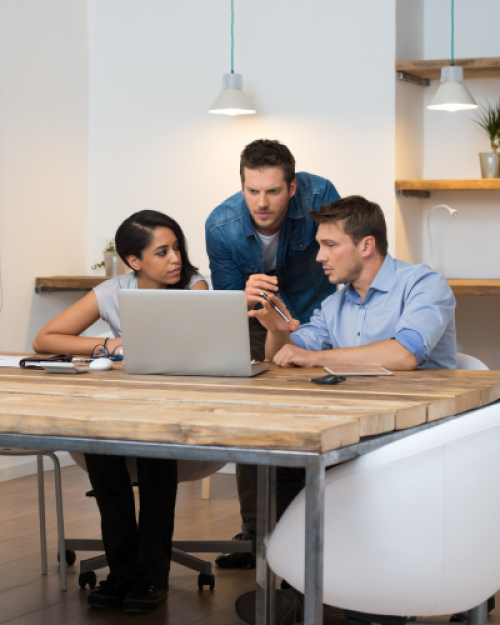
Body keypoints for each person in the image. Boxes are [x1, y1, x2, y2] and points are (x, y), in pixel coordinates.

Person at [234, 195, 457, 625]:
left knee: (356, 474)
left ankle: (371, 598)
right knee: (281, 464)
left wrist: (315, 358)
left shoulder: (423, 284)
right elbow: (287, 359)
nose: (320, 256)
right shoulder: (336, 303)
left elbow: (406, 353)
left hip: (421, 435)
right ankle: (304, 588)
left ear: (366, 246)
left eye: (330, 245)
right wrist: (278, 333)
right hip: (358, 430)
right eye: (320, 245)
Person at [33, 210, 207, 614]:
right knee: (97, 444)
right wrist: (108, 347)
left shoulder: (195, 288)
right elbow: (46, 339)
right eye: (162, 252)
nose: (175, 258)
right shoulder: (113, 290)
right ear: (134, 261)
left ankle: (150, 575)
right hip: (122, 410)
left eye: (176, 247)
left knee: (154, 454)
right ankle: (122, 570)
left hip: (175, 416)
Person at [205, 139, 341, 568]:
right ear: (241, 185)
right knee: (253, 418)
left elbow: (342, 256)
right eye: (252, 191)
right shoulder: (221, 226)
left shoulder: (322, 197)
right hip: (256, 320)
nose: (262, 204)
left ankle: (324, 531)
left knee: (324, 416)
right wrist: (241, 296)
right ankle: (256, 535)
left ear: (294, 187)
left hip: (318, 316)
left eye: (273, 192)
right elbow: (228, 302)